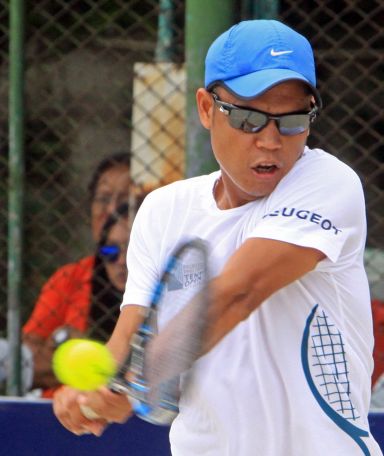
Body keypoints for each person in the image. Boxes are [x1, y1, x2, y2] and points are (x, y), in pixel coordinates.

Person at [53, 20, 382, 455]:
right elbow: (128, 338)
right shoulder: (163, 210)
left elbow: (237, 292)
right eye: (249, 118)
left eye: (293, 120)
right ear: (207, 109)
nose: (270, 141)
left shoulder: (328, 182)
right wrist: (91, 391)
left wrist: (134, 386)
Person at [22, 152, 131, 397]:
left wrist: (74, 348)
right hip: (65, 408)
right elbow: (29, 361)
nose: (112, 209)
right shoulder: (69, 279)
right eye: (103, 199)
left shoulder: (166, 278)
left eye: (125, 198)